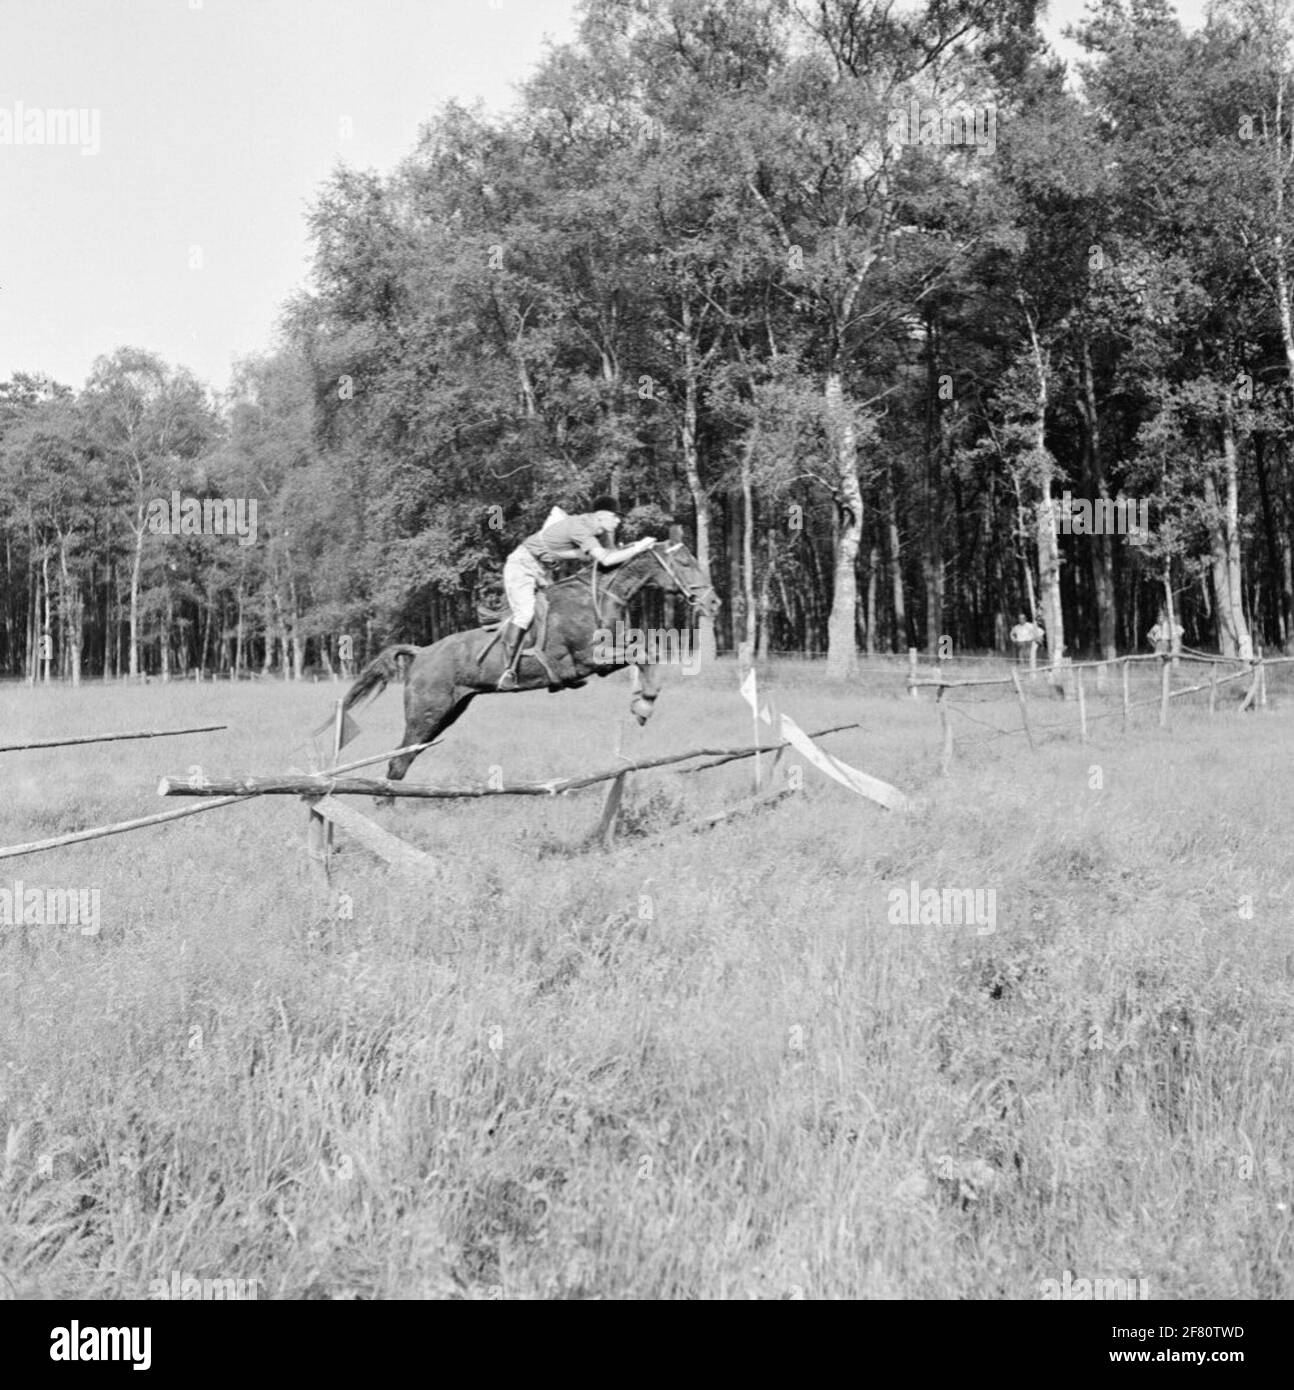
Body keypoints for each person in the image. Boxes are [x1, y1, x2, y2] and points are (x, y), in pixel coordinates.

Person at [497, 497, 656, 689]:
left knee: (556, 615)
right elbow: (606, 560)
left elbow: (614, 557)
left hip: (542, 570)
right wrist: (639, 547)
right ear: (601, 515)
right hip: (522, 566)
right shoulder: (580, 527)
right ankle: (508, 671)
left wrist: (636, 548)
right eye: (615, 517)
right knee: (526, 614)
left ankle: (561, 670)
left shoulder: (600, 530)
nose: (618, 521)